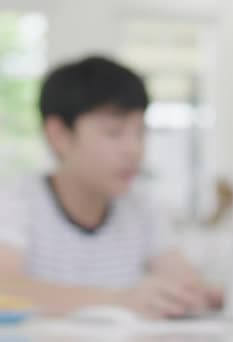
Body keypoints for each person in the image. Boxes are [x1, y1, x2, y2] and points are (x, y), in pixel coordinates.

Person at [0, 56, 220, 319]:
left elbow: (185, 281)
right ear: (58, 135)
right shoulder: (18, 202)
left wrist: (200, 294)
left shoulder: (141, 208)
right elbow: (5, 289)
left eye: (140, 132)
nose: (134, 150)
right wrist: (119, 301)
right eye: (114, 132)